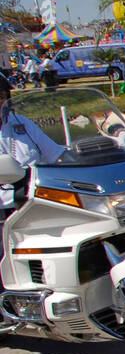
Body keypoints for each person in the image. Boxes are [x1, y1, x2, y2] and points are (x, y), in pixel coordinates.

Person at [0, 73, 66, 234]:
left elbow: (57, 155)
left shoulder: (21, 123)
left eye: (1, 96)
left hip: (35, 202)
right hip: (4, 211)